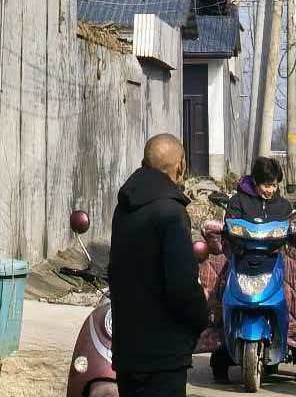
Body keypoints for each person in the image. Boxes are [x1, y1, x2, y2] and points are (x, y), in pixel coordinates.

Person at [108, 134, 213, 397]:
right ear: (181, 167)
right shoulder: (171, 213)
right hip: (164, 356)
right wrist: (203, 315)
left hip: (128, 353)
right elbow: (181, 287)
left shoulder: (124, 209)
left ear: (144, 163)